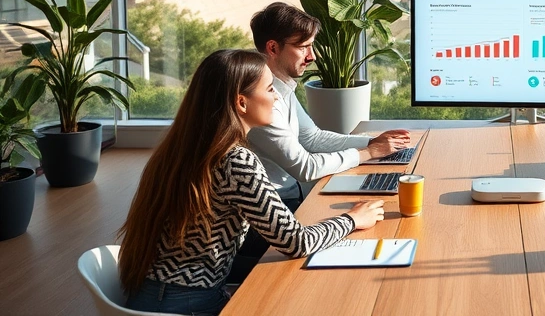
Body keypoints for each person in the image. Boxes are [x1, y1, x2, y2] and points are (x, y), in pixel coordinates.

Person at [118, 50, 385, 315]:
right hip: (188, 303)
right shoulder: (236, 160)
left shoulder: (177, 150)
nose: (277, 97)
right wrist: (352, 219)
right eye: (270, 89)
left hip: (150, 295)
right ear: (241, 103)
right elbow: (296, 242)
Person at [229, 3, 410, 282]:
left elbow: (311, 137)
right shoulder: (256, 107)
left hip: (281, 206)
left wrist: (371, 142)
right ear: (273, 48)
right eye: (303, 47)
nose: (311, 57)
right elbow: (304, 169)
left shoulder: (278, 89)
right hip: (269, 216)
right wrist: (367, 154)